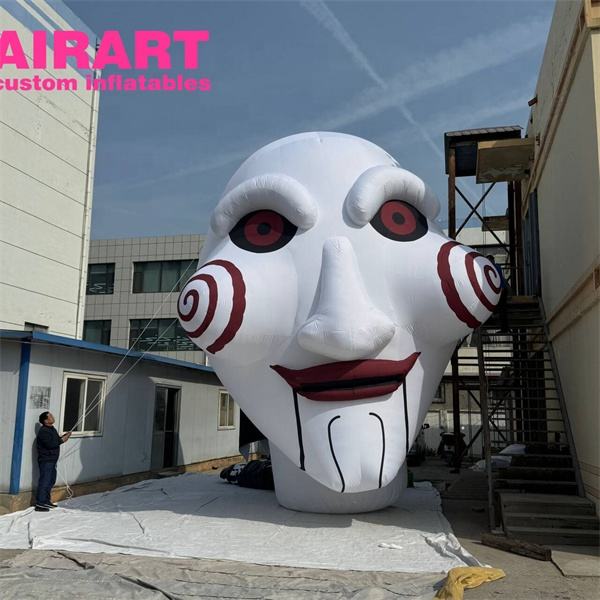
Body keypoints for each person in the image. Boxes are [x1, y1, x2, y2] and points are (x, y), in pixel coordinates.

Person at [35, 412, 71, 512]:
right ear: (46, 421)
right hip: (46, 460)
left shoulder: (52, 429)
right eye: (50, 416)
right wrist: (62, 440)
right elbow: (51, 444)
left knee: (51, 481)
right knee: (45, 481)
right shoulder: (43, 431)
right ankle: (40, 504)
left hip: (52, 460)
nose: (52, 417)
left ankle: (46, 501)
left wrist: (65, 436)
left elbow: (56, 440)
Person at [487, 255, 509, 332]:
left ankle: (503, 327)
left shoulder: (493, 268)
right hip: (502, 290)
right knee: (502, 309)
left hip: (501, 290)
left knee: (501, 309)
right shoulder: (497, 267)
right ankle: (504, 328)